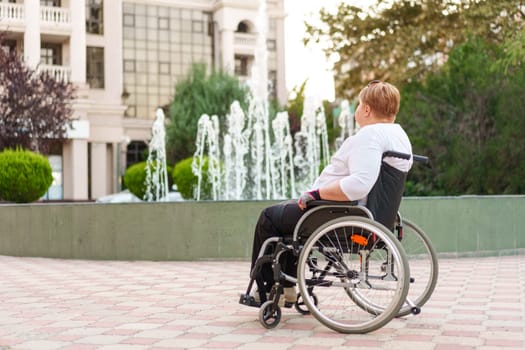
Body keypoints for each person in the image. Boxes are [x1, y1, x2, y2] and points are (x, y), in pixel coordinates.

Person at [249, 80, 413, 304]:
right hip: (367, 217)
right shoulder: (399, 136)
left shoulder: (370, 135)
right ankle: (286, 287)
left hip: (336, 213)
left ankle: (267, 290)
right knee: (287, 216)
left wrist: (316, 195)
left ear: (366, 109)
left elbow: (359, 184)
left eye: (358, 105)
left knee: (269, 217)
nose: (356, 110)